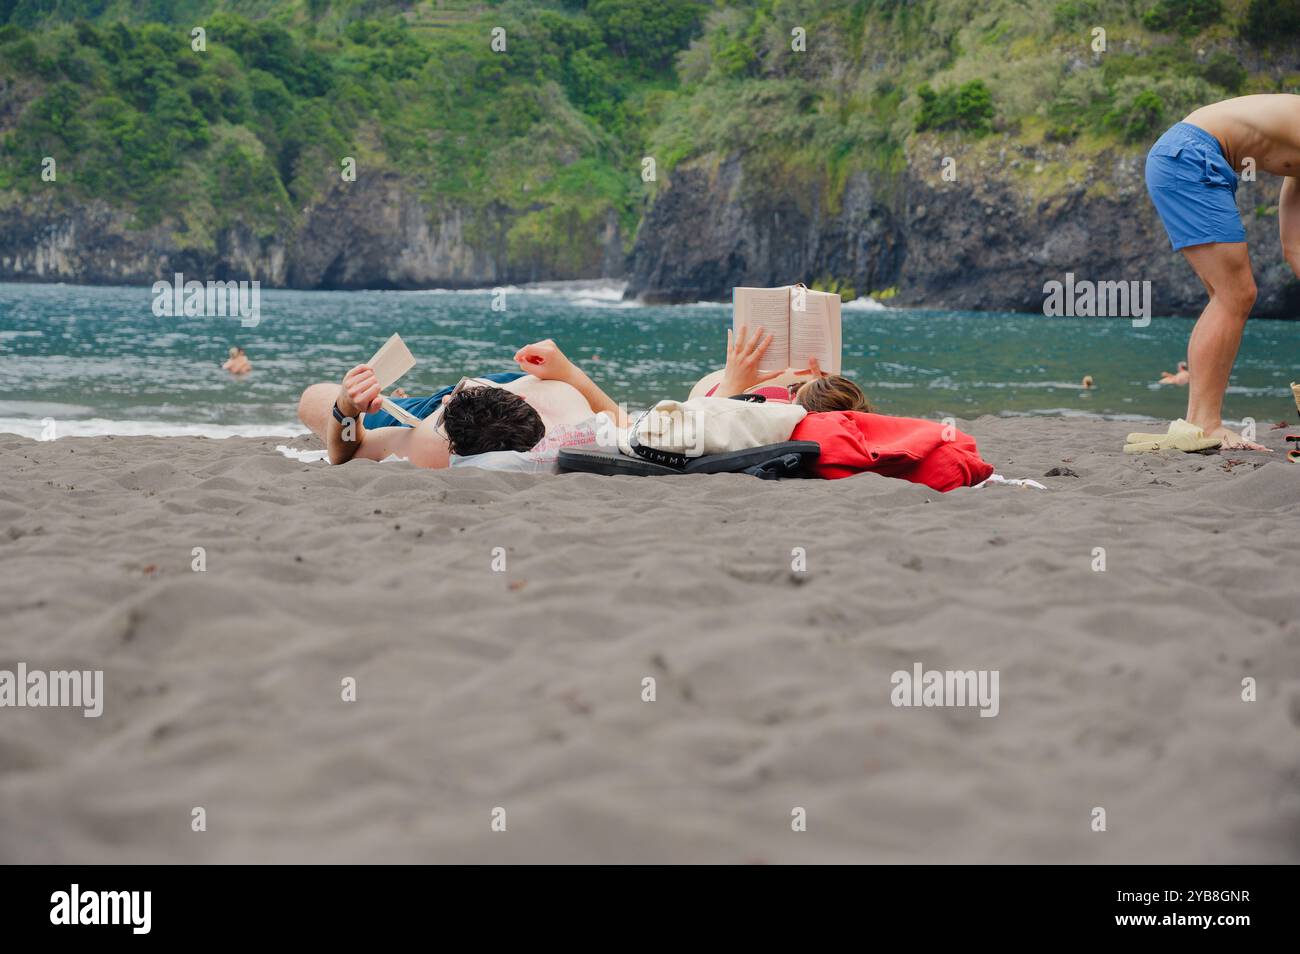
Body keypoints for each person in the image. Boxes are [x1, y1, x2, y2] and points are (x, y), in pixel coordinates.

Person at [1142, 94, 1300, 451]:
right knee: (1235, 295)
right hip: (1193, 157)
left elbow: (1294, 247)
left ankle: (1196, 423)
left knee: (1226, 296)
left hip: (1186, 158)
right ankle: (1205, 424)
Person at [296, 339, 627, 468]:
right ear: (521, 399)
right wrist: (568, 371)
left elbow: (346, 454)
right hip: (529, 380)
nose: (444, 397)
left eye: (446, 404)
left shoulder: (432, 439)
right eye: (450, 398)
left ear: (453, 448)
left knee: (312, 398)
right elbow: (623, 422)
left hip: (449, 414)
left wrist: (346, 408)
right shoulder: (566, 400)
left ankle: (419, 403)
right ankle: (475, 394)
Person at [699, 325, 873, 413]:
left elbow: (694, 427)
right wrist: (819, 387)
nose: (791, 390)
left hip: (714, 395)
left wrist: (731, 384)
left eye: (795, 389)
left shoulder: (777, 418)